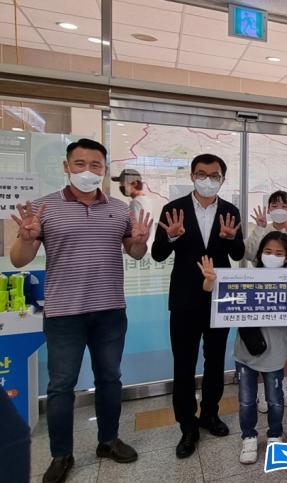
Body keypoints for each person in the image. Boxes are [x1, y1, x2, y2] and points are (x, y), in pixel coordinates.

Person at [9, 139, 151, 483]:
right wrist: (26, 238)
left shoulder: (120, 209)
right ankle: (61, 454)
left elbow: (134, 253)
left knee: (110, 378)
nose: (88, 171)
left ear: (105, 170)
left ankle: (108, 441)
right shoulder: (44, 208)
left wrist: (139, 241)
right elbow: (18, 260)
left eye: (95, 165)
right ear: (66, 166)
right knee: (61, 386)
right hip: (64, 314)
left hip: (110, 310)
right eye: (80, 163)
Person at [151, 153, 245, 459]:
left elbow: (238, 252)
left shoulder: (230, 211)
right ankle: (187, 425)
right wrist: (170, 237)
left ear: (222, 179)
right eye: (201, 174)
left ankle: (210, 414)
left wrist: (229, 239)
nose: (208, 180)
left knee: (215, 361)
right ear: (192, 176)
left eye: (214, 175)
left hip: (220, 297)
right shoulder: (173, 209)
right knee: (184, 363)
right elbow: (157, 254)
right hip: (185, 297)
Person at [198, 231, 287, 465]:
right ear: (260, 253)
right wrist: (210, 279)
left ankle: (275, 434)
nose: (273, 256)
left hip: (276, 352)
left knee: (275, 399)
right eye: (268, 251)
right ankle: (249, 437)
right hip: (246, 351)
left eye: (279, 253)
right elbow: (214, 292)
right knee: (247, 400)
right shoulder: (245, 276)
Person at [245, 190, 287, 411]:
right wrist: (260, 228)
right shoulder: (261, 229)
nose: (279, 209)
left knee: (285, 341)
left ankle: (283, 386)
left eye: (284, 205)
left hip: (286, 295)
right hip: (261, 294)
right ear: (269, 208)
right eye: (275, 205)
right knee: (262, 341)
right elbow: (249, 255)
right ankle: (262, 392)